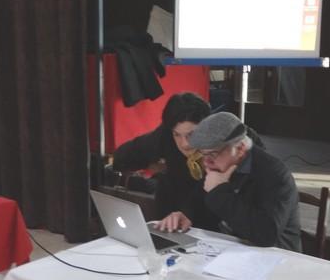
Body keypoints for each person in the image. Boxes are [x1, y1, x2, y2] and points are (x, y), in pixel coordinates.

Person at [187, 111, 301, 252]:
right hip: (231, 249)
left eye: (212, 153)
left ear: (240, 148)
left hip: (276, 255)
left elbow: (266, 235)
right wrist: (186, 215)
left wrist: (219, 192)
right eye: (203, 154)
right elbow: (200, 200)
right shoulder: (218, 164)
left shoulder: (274, 174)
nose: (207, 162)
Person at [111, 92, 219, 232]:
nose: (185, 144)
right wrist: (151, 164)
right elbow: (122, 157)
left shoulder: (219, 141)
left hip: (210, 224)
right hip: (168, 220)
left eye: (191, 134)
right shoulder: (164, 136)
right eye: (177, 135)